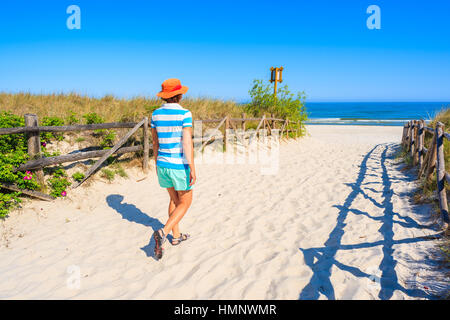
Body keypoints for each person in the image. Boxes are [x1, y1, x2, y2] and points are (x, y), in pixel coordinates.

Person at [151, 78, 196, 260]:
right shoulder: (185, 114)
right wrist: (192, 166)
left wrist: (156, 163)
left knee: (174, 199)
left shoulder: (155, 114)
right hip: (179, 165)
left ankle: (176, 237)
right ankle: (164, 232)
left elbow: (155, 142)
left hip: (162, 163)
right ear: (179, 95)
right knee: (185, 202)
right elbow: (187, 142)